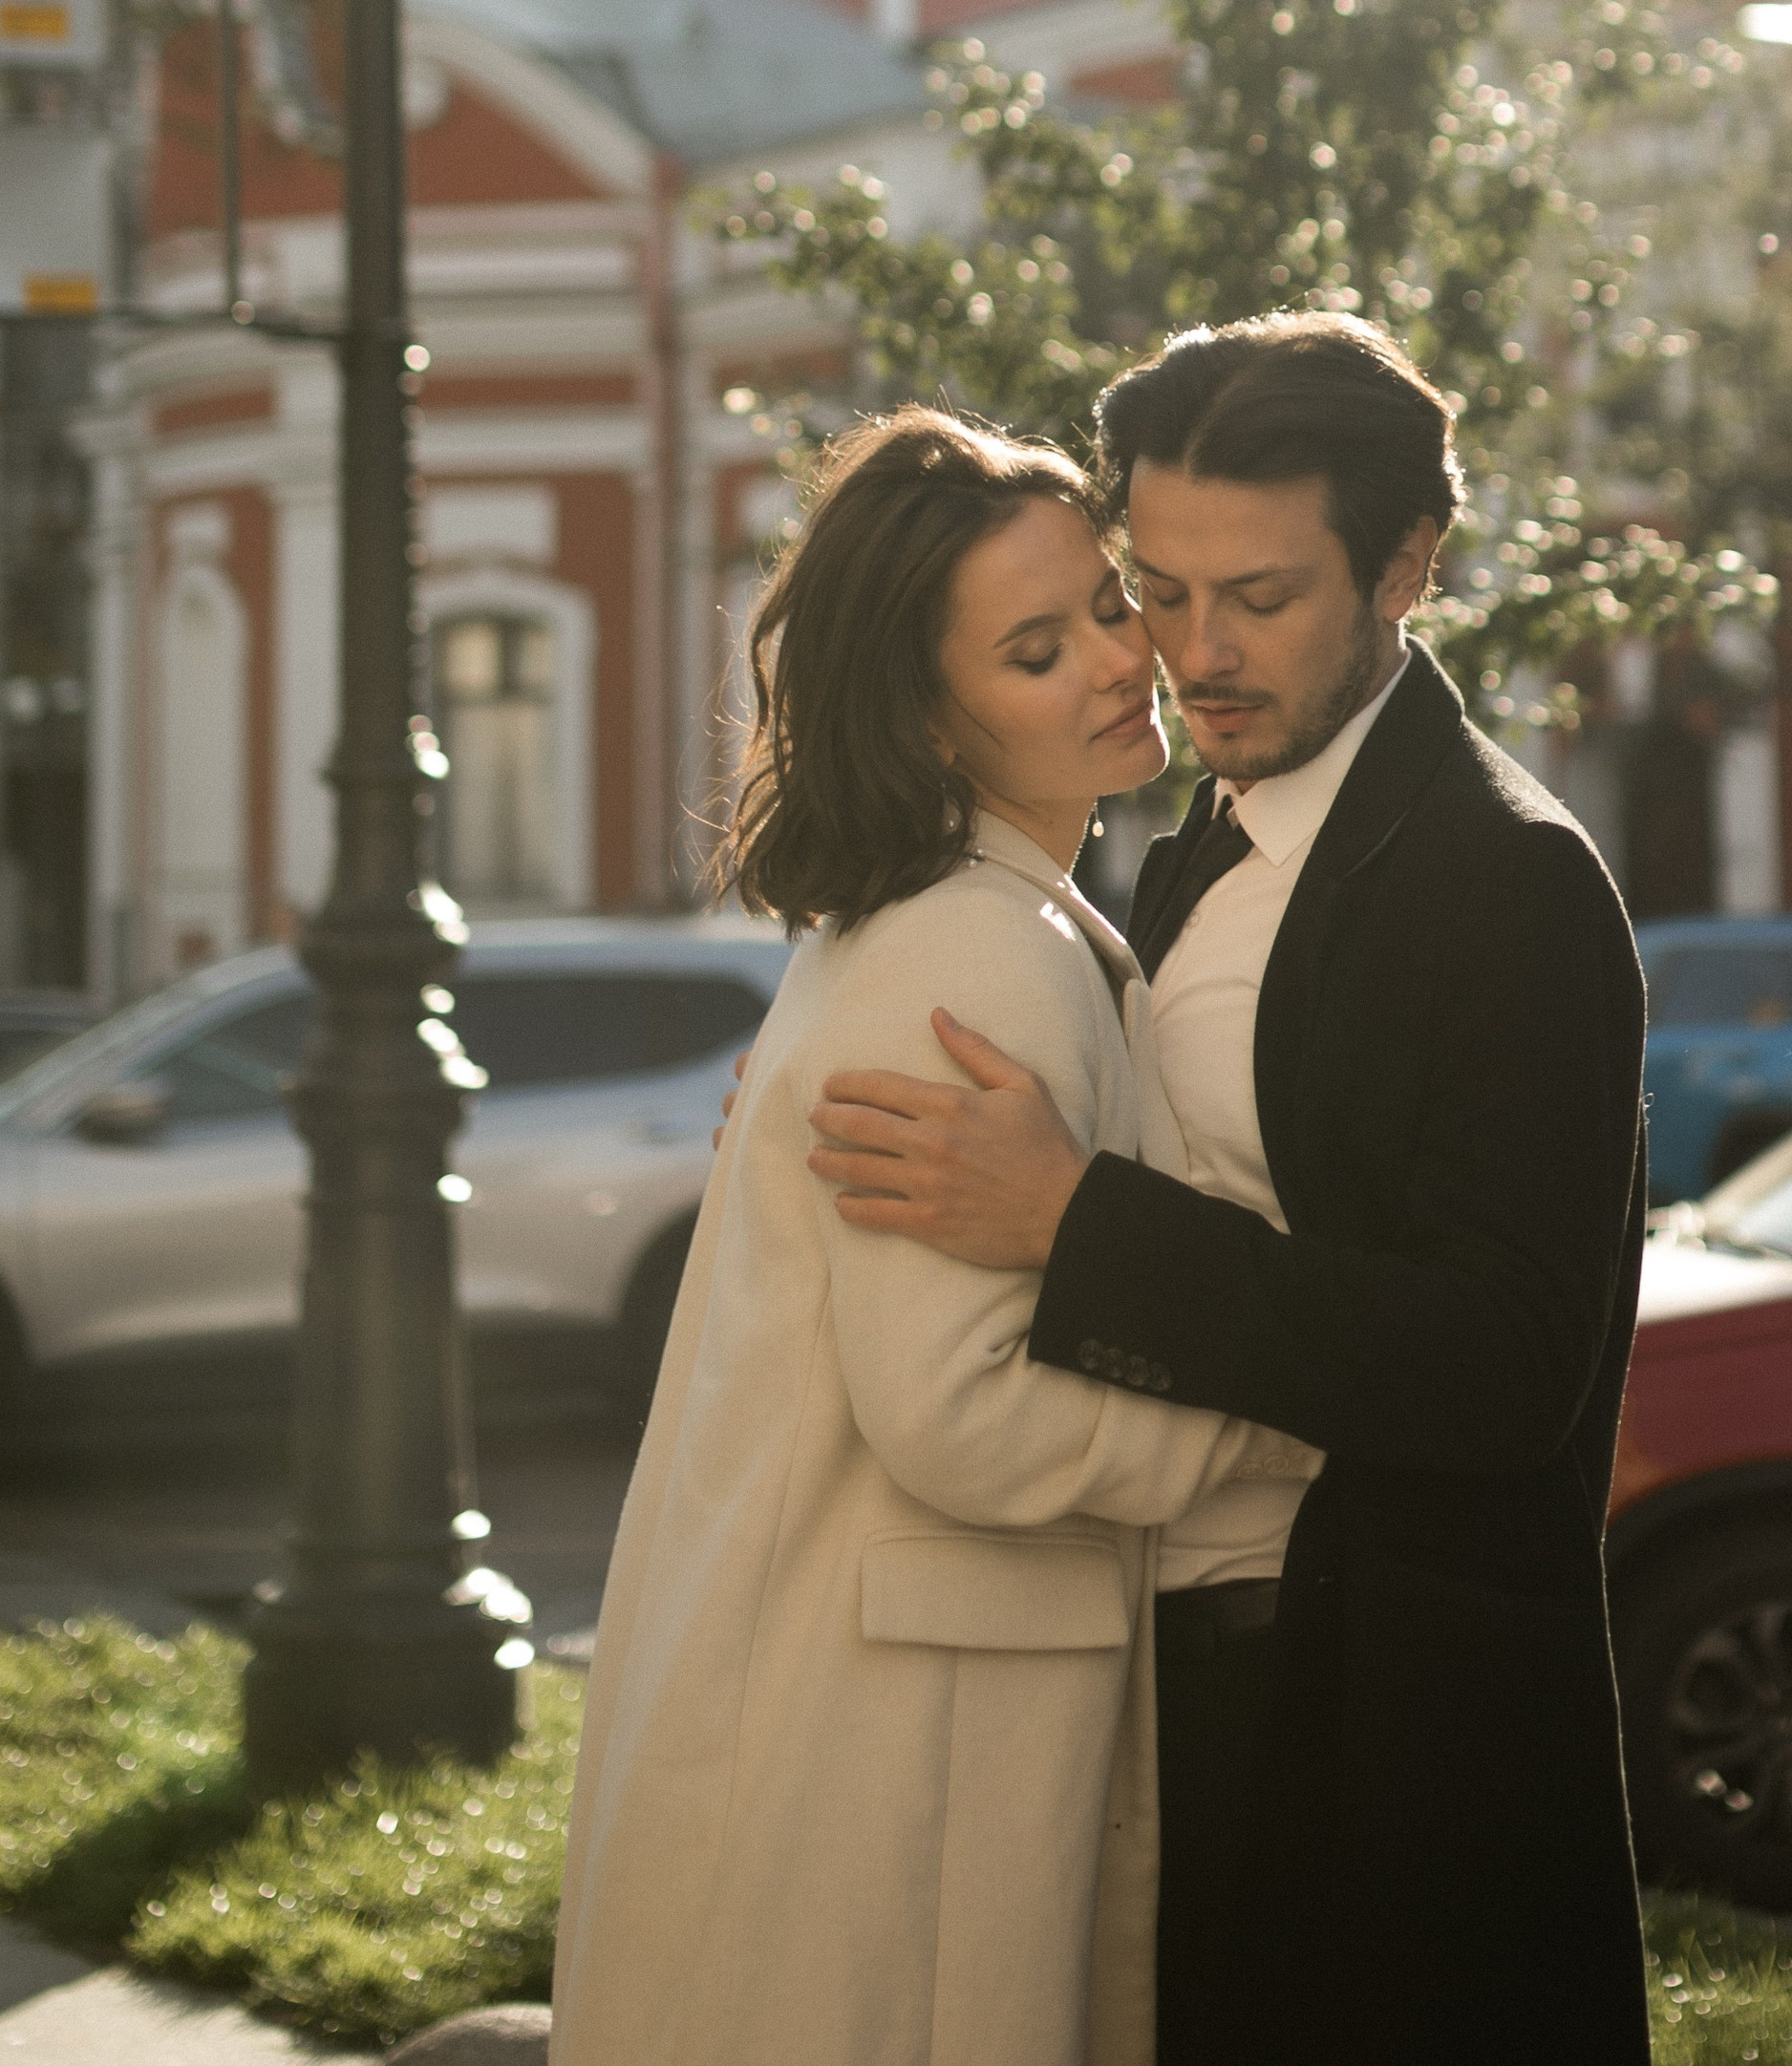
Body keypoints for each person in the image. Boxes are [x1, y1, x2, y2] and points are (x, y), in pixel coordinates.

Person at [804, 316, 1653, 2066]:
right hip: (1195, 1704)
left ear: (1408, 565)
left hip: (1394, 1749)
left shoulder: (1511, 882)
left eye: (1259, 597)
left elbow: (1507, 1362)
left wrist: (1075, 1222)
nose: (1195, 650)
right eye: (1157, 591)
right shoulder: (1205, 835)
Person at [551, 409, 1314, 2066]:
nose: (1120, 661)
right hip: (881, 1756)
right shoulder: (970, 952)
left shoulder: (982, 920)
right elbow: (954, 1406)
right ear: (931, 715)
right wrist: (1271, 1424)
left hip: (887, 1720)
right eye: (1038, 651)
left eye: (1108, 606)